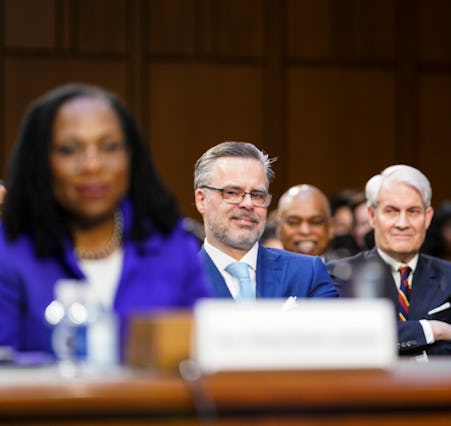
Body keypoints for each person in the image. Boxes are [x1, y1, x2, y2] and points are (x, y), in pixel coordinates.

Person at [0, 83, 212, 357]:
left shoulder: (172, 247)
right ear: (40, 161)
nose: (92, 165)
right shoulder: (9, 251)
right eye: (69, 149)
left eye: (110, 146)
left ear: (131, 157)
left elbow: (204, 356)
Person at [326, 165, 451, 357]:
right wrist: (432, 330)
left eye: (413, 211)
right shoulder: (341, 274)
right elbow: (350, 340)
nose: (403, 223)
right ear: (372, 216)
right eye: (391, 211)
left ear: (427, 217)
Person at [194, 141, 338, 299]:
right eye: (232, 192)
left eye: (257, 195)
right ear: (201, 200)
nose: (248, 204)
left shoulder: (307, 273)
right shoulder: (179, 279)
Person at [276, 184, 337, 261]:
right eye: (293, 222)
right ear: (278, 227)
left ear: (330, 227)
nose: (305, 231)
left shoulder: (345, 272)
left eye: (315, 222)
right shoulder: (260, 272)